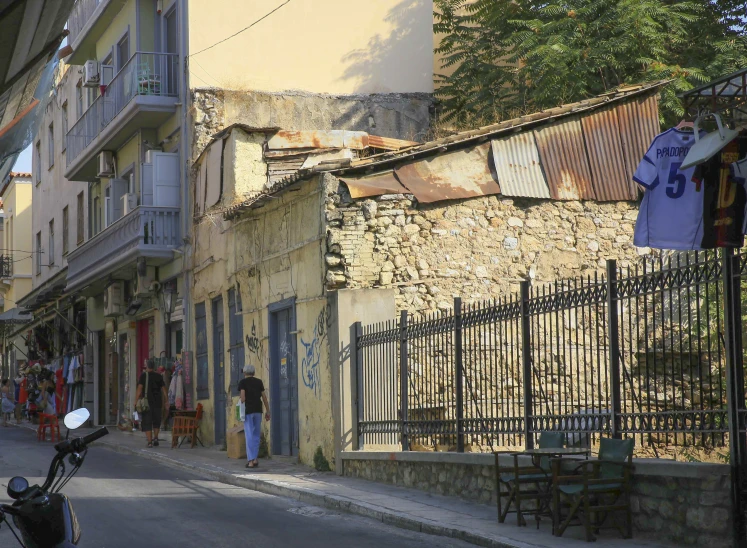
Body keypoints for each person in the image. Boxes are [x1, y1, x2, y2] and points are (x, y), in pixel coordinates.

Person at [238, 364, 270, 468]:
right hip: (258, 410)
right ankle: (255, 459)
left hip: (248, 411)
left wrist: (240, 400)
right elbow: (264, 397)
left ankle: (250, 461)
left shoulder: (243, 382)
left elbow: (242, 398)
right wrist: (268, 411)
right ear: (253, 373)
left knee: (249, 435)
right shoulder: (259, 382)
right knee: (256, 435)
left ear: (244, 373)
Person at [135, 359, 168, 447]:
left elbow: (139, 389)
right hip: (158, 402)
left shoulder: (143, 376)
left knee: (147, 422)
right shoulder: (159, 376)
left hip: (147, 403)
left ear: (147, 366)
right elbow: (164, 390)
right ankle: (156, 438)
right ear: (154, 367)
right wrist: (166, 400)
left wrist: (136, 401)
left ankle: (150, 442)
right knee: (156, 421)